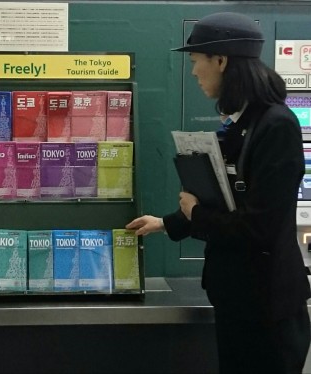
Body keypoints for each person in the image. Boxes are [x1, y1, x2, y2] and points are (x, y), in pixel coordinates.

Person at [126, 12, 311, 373]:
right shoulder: (243, 123)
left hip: (267, 306)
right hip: (238, 299)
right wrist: (166, 223)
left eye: (197, 62)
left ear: (222, 60)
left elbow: (259, 227)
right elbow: (224, 201)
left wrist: (196, 214)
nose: (194, 73)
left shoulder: (277, 126)